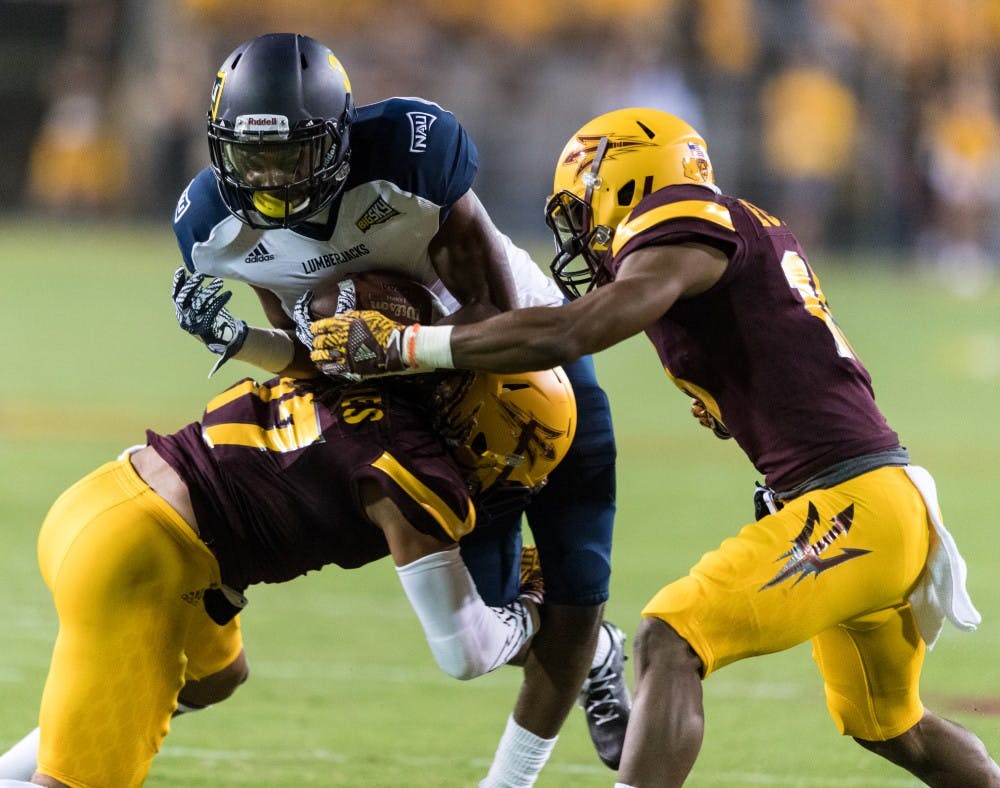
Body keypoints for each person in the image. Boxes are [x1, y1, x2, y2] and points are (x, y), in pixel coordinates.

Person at [306, 107, 1000, 786]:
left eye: (582, 210)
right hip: (879, 500)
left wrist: (405, 344)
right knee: (891, 726)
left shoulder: (679, 219)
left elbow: (569, 333)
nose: (582, 234)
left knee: (670, 638)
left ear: (628, 182)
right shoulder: (740, 226)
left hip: (854, 507)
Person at [168, 32, 628, 781]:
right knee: (483, 625)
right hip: (416, 408)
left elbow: (497, 320)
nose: (272, 177)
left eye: (292, 154)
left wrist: (402, 341)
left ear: (340, 139)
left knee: (577, 577)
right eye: (253, 158)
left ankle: (518, 762)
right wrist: (241, 338)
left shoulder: (411, 156)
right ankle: (598, 648)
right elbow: (320, 360)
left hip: (530, 372)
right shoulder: (213, 227)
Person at [0, 280, 576, 787]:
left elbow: (300, 357)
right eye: (516, 455)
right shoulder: (415, 478)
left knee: (213, 677)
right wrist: (530, 606)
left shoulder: (365, 374)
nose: (507, 474)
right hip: (147, 560)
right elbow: (465, 651)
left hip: (112, 499)